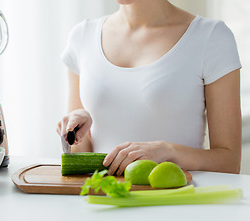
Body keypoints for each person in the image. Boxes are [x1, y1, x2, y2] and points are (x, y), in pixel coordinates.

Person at [57, 0, 242, 175]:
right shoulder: (82, 36)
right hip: (105, 201)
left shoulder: (211, 36)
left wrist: (168, 152)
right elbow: (79, 155)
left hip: (178, 202)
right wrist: (77, 132)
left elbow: (229, 162)